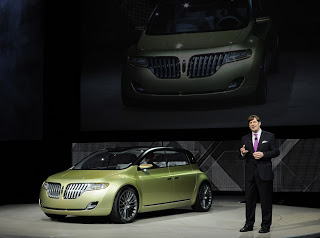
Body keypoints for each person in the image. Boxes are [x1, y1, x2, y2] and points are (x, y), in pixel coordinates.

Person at [239, 115, 280, 233]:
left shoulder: (269, 136)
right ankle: (249, 224)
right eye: (250, 123)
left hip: (264, 173)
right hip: (250, 174)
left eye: (254, 122)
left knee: (266, 201)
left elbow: (276, 151)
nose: (252, 124)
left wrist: (264, 154)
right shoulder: (245, 138)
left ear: (259, 123)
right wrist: (242, 153)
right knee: (249, 201)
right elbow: (242, 155)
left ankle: (266, 225)